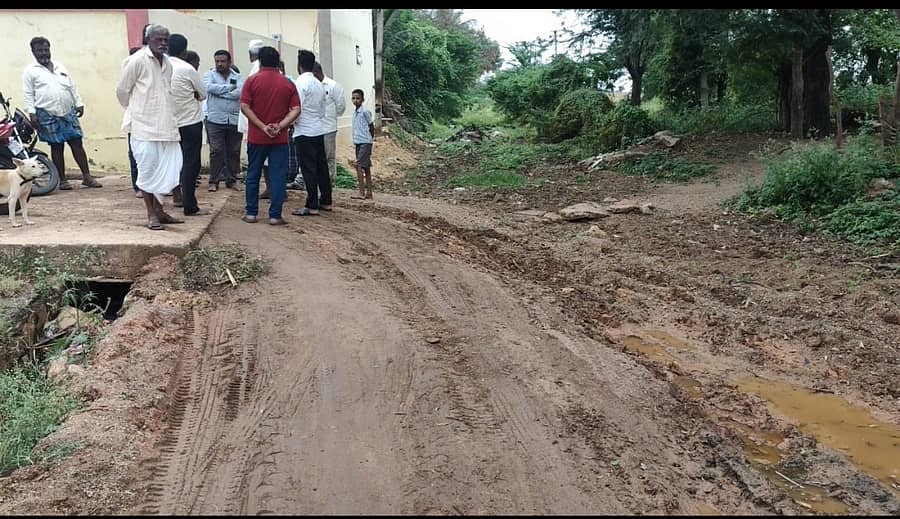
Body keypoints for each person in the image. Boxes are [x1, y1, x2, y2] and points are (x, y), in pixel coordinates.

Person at [116, 23, 183, 231]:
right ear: (148, 39)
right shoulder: (136, 61)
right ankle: (151, 214)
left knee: (169, 170)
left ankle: (160, 210)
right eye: (158, 39)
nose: (163, 43)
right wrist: (136, 110)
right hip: (144, 128)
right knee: (147, 172)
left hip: (167, 127)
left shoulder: (169, 63)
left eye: (165, 40)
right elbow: (122, 91)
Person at [22, 36, 102, 190]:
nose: (44, 53)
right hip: (46, 113)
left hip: (68, 112)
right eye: (40, 51)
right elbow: (28, 94)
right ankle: (63, 180)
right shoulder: (30, 71)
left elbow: (72, 86)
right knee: (57, 146)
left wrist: (79, 103)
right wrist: (32, 114)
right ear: (33, 52)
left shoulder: (60, 66)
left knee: (77, 143)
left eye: (46, 50)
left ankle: (87, 177)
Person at [239, 46, 300, 225]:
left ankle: (251, 213)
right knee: (278, 176)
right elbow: (296, 109)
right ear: (277, 61)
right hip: (279, 138)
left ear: (260, 61)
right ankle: (275, 215)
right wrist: (280, 126)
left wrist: (262, 126)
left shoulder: (251, 81)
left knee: (253, 174)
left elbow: (244, 106)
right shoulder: (287, 83)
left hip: (257, 137)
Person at [168, 34, 208, 217]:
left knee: (171, 162)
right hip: (190, 122)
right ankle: (190, 205)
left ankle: (175, 198)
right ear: (184, 52)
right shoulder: (187, 68)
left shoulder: (160, 67)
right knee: (190, 164)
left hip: (168, 123)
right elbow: (202, 94)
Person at [292, 49, 331, 216]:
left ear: (299, 65)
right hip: (317, 129)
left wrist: (289, 122)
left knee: (308, 168)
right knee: (321, 167)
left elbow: (296, 107)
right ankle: (326, 201)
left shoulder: (300, 83)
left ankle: (312, 204)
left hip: (303, 131)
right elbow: (323, 111)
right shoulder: (318, 84)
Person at [203, 49, 243, 192]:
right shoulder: (209, 75)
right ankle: (214, 181)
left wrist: (220, 92)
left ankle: (231, 180)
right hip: (215, 120)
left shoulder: (238, 77)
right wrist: (229, 89)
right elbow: (208, 88)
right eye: (217, 61)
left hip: (233, 119)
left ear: (229, 62)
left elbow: (239, 93)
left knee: (233, 151)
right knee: (216, 151)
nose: (219, 64)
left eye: (222, 61)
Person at [312, 62, 346, 187]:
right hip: (315, 128)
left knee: (329, 158)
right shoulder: (312, 86)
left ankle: (329, 183)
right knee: (316, 157)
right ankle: (318, 183)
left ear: (316, 72)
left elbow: (341, 107)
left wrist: (329, 116)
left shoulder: (333, 86)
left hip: (328, 128)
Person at [350, 88, 374, 200]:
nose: (355, 100)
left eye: (358, 98)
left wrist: (370, 139)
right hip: (358, 142)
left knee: (359, 165)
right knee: (366, 167)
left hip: (365, 142)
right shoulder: (354, 113)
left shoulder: (365, 112)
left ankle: (361, 192)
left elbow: (371, 126)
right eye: (353, 98)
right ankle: (369, 192)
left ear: (363, 99)